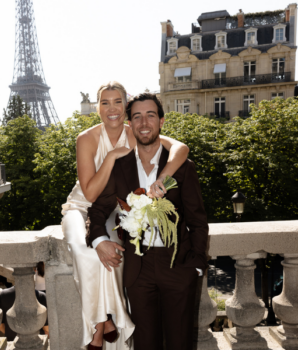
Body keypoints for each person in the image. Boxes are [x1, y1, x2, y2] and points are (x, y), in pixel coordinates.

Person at [62, 82, 190, 350]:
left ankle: (106, 322)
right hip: (82, 205)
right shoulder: (86, 139)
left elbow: (181, 148)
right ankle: (102, 323)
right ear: (97, 107)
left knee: (115, 253)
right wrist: (110, 158)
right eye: (105, 102)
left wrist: (164, 176)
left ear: (125, 106)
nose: (112, 108)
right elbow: (90, 192)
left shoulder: (136, 132)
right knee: (86, 253)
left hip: (113, 207)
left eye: (118, 102)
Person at [86, 92, 209, 350]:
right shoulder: (120, 167)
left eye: (150, 115)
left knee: (180, 342)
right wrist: (99, 241)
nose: (144, 123)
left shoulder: (183, 167)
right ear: (130, 124)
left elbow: (197, 220)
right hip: (137, 269)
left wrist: (196, 265)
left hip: (178, 264)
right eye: (137, 117)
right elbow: (97, 211)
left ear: (161, 122)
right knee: (145, 344)